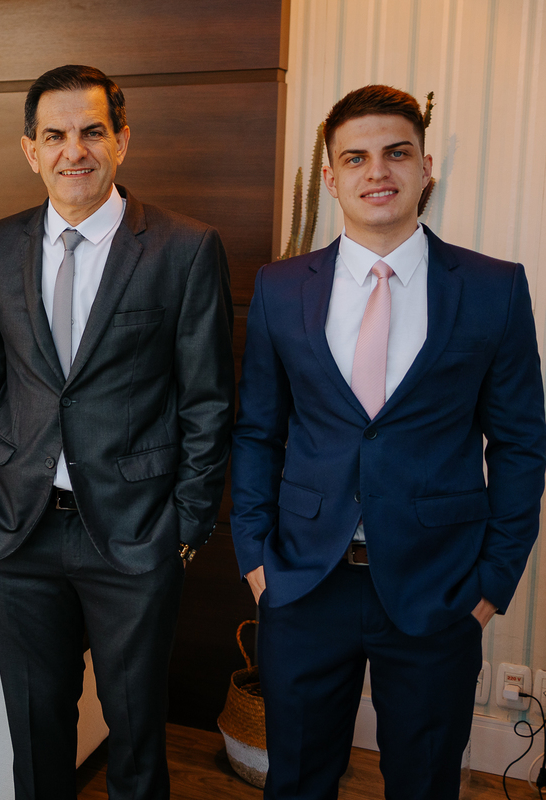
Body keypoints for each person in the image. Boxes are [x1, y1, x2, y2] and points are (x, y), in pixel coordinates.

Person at [231, 84, 546, 800]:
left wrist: (491, 584)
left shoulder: (493, 288)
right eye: (356, 157)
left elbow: (521, 443)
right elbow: (257, 432)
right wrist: (255, 558)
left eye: (396, 153)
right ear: (331, 177)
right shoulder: (281, 288)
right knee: (297, 782)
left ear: (424, 167)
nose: (377, 171)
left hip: (440, 588)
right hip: (303, 583)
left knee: (424, 784)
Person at [0, 64, 235, 800]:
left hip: (136, 534)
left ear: (122, 140)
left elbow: (208, 401)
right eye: (54, 135)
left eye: (91, 131)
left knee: (137, 739)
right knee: (35, 733)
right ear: (30, 150)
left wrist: (185, 529)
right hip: (17, 529)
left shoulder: (183, 247)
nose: (73, 150)